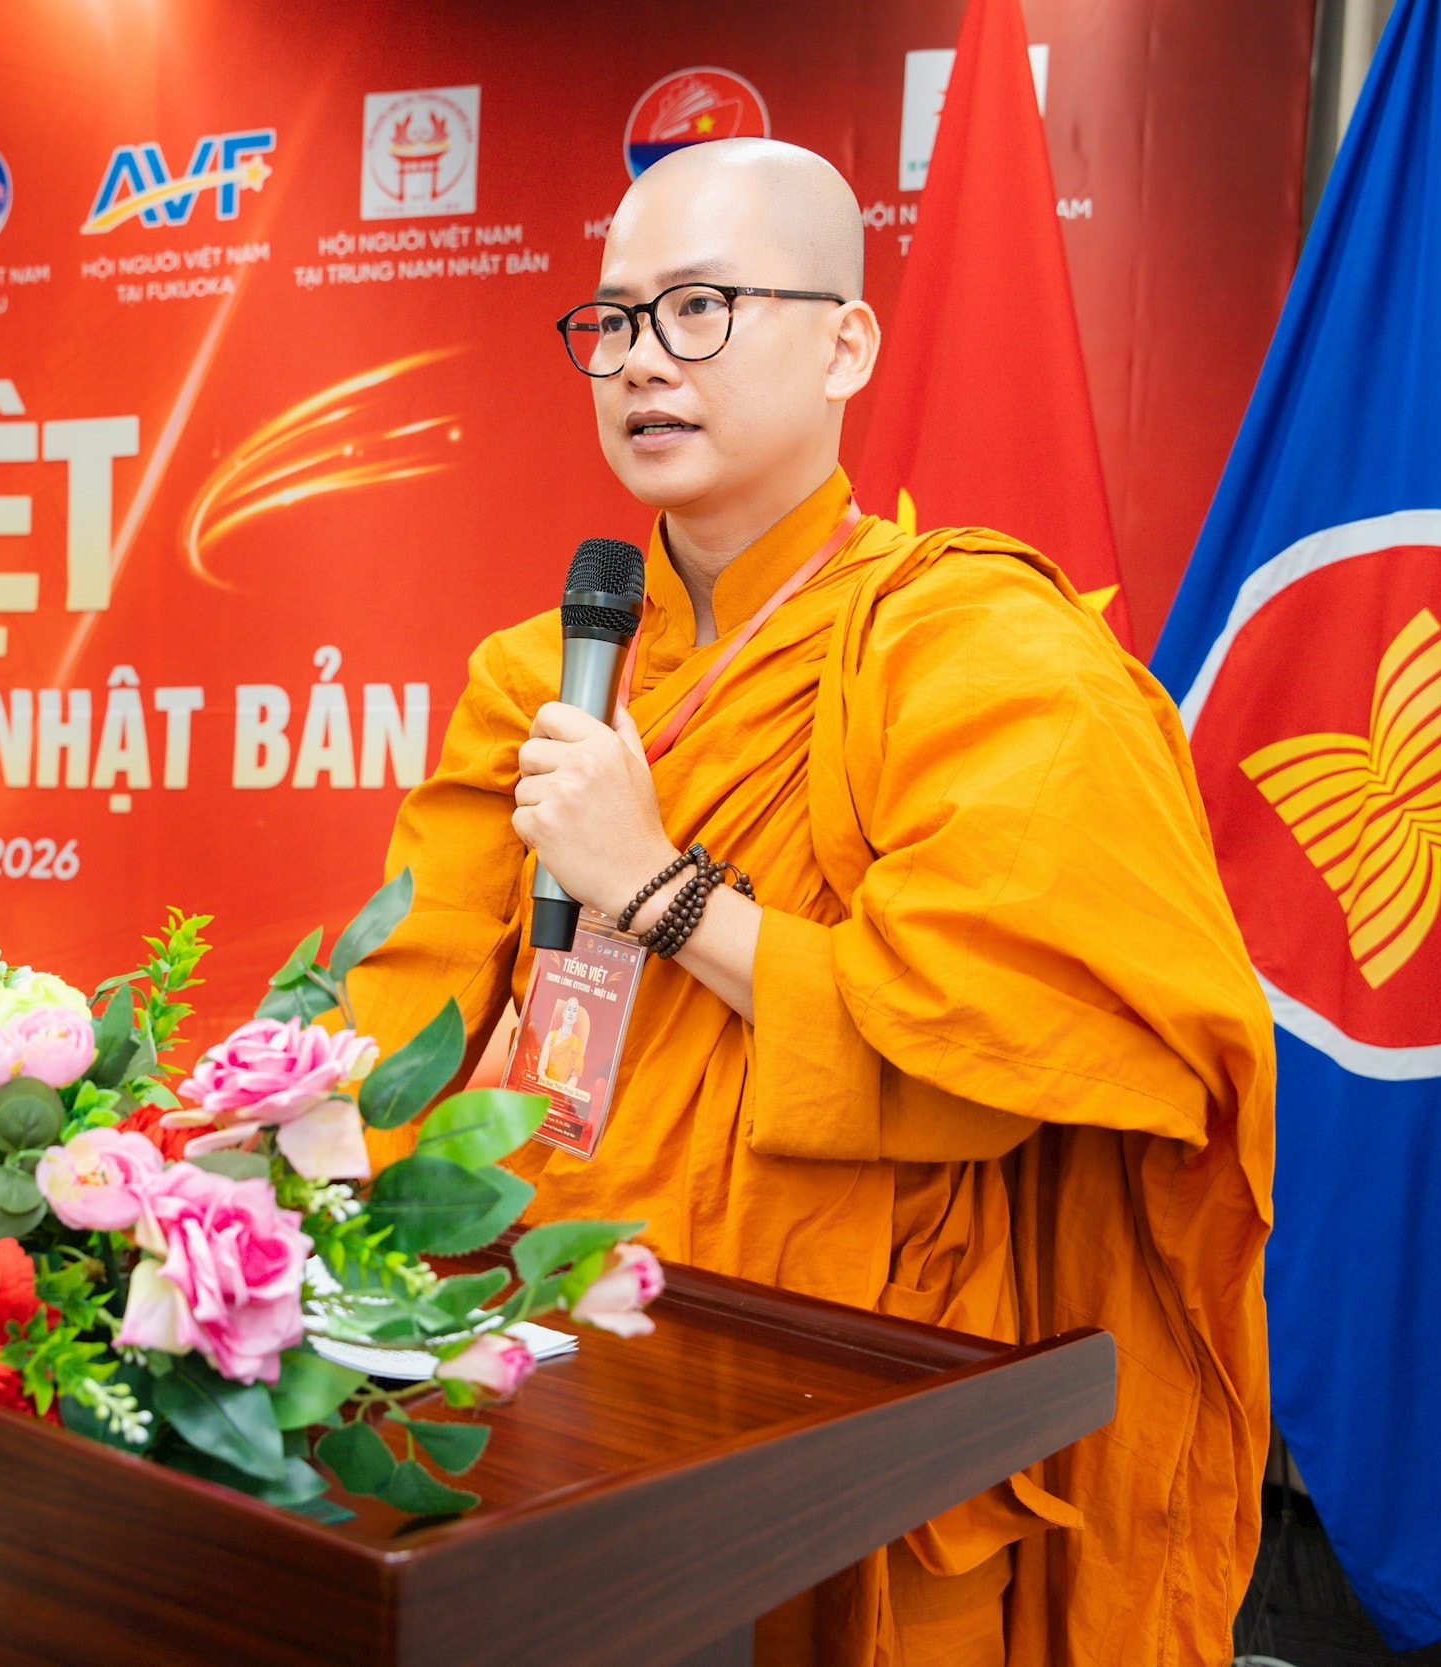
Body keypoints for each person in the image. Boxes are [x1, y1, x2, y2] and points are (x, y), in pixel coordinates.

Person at [346, 138, 1275, 1666]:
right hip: (529, 1355)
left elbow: (1003, 1042)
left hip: (837, 1396)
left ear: (846, 344)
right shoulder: (540, 678)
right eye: (614, 320)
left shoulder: (973, 649)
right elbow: (400, 1014)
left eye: (699, 308)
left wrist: (655, 886)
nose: (644, 360)